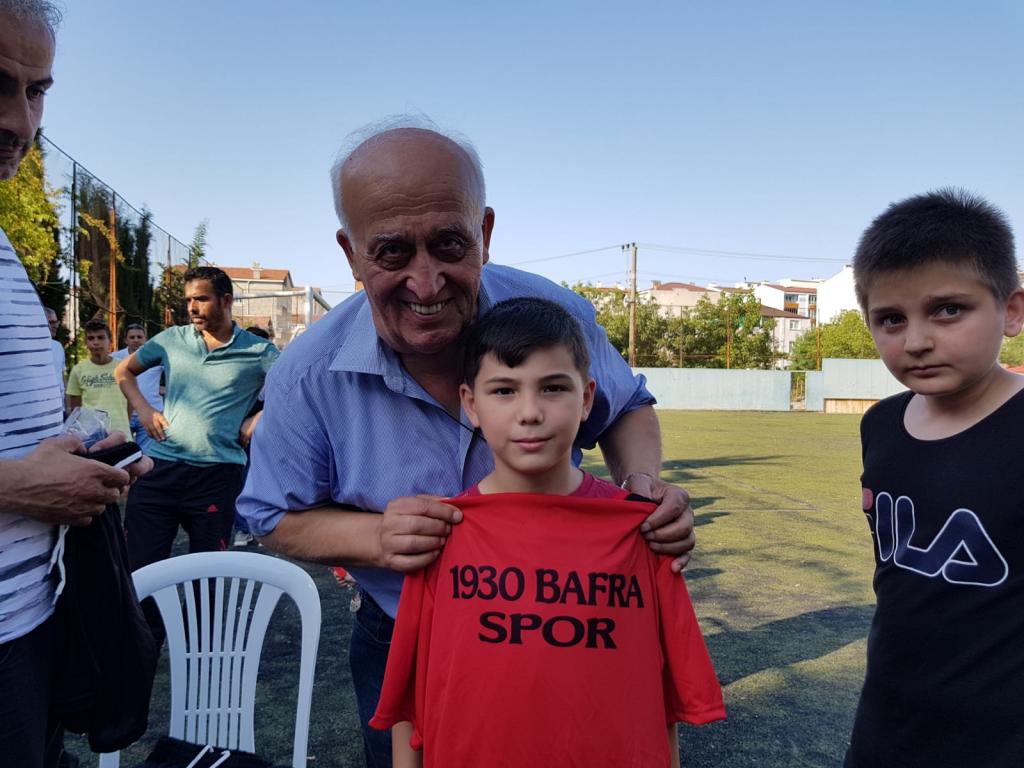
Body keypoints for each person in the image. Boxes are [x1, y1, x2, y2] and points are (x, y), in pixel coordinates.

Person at [237, 118, 697, 768]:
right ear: (351, 253)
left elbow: (625, 408)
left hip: (566, 621)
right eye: (392, 252)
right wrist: (378, 538)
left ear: (484, 232)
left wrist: (639, 486)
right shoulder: (307, 375)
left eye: (449, 244)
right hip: (406, 631)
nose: (426, 283)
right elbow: (270, 515)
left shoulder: (552, 315)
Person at [371, 298, 725, 768]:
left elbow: (663, 708)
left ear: (586, 398)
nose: (530, 412)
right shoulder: (438, 534)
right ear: (471, 404)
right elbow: (409, 710)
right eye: (504, 390)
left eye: (553, 388)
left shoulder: (641, 531)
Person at [0, 3, 152, 765]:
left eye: (37, 92)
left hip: (33, 625)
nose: (20, 122)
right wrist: (17, 487)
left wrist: (75, 452)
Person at [846, 189, 1024, 767]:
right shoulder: (880, 424)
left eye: (948, 309)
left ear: (1012, 311)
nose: (917, 341)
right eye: (891, 319)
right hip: (887, 724)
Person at [115, 266, 279, 578]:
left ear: (226, 300)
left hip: (217, 475)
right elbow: (123, 371)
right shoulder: (172, 339)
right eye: (188, 299)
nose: (192, 307)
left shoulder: (259, 350)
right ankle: (146, 615)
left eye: (201, 299)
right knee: (139, 575)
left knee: (206, 582)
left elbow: (298, 389)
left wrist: (260, 417)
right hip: (160, 468)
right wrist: (144, 410)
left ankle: (201, 614)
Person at [66, 319, 131, 439]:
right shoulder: (78, 370)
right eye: (91, 338)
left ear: (110, 341)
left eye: (101, 338)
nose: (95, 342)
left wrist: (124, 423)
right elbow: (76, 409)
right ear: (86, 342)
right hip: (91, 436)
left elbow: (131, 400)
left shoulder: (123, 367)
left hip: (121, 433)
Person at [112, 322, 163, 453]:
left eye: (139, 337)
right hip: (123, 413)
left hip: (150, 412)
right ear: (125, 340)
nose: (136, 340)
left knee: (147, 454)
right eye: (132, 337)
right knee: (123, 453)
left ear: (146, 339)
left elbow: (175, 372)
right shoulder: (114, 358)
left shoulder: (156, 357)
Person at [44, 306, 65, 407]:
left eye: (56, 322)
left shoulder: (58, 346)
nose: (56, 326)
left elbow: (62, 376)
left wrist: (67, 406)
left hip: (60, 406)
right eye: (51, 322)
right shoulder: (30, 347)